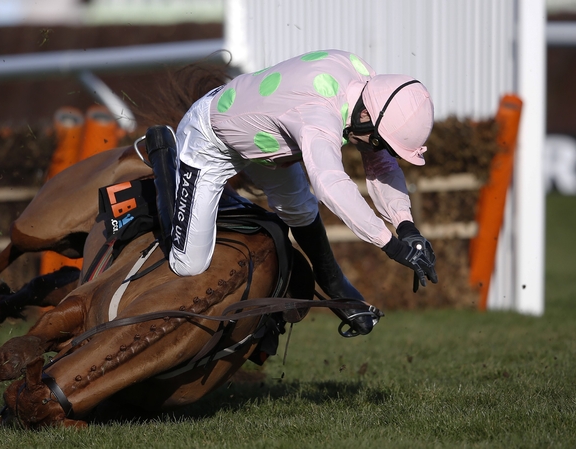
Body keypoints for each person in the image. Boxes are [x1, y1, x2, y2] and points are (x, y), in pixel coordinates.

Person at [155, 49, 437, 335]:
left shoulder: (370, 87)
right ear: (365, 114)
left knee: (301, 208)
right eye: (376, 141)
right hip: (209, 141)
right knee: (187, 263)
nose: (374, 151)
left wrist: (407, 227)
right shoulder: (317, 116)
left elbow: (382, 166)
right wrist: (391, 245)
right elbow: (331, 187)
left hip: (266, 142)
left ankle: (333, 282)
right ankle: (163, 153)